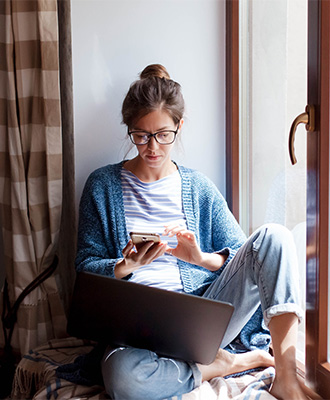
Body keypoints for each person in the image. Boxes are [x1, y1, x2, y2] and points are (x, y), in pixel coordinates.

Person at [75, 64, 309, 400]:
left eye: (163, 135)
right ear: (129, 130)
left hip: (201, 319)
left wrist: (201, 258)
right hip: (134, 331)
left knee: (275, 237)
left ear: (178, 127)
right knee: (124, 381)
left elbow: (249, 257)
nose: (152, 147)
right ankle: (222, 365)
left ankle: (286, 376)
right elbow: (84, 266)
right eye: (141, 136)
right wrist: (125, 266)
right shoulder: (102, 186)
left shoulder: (198, 187)